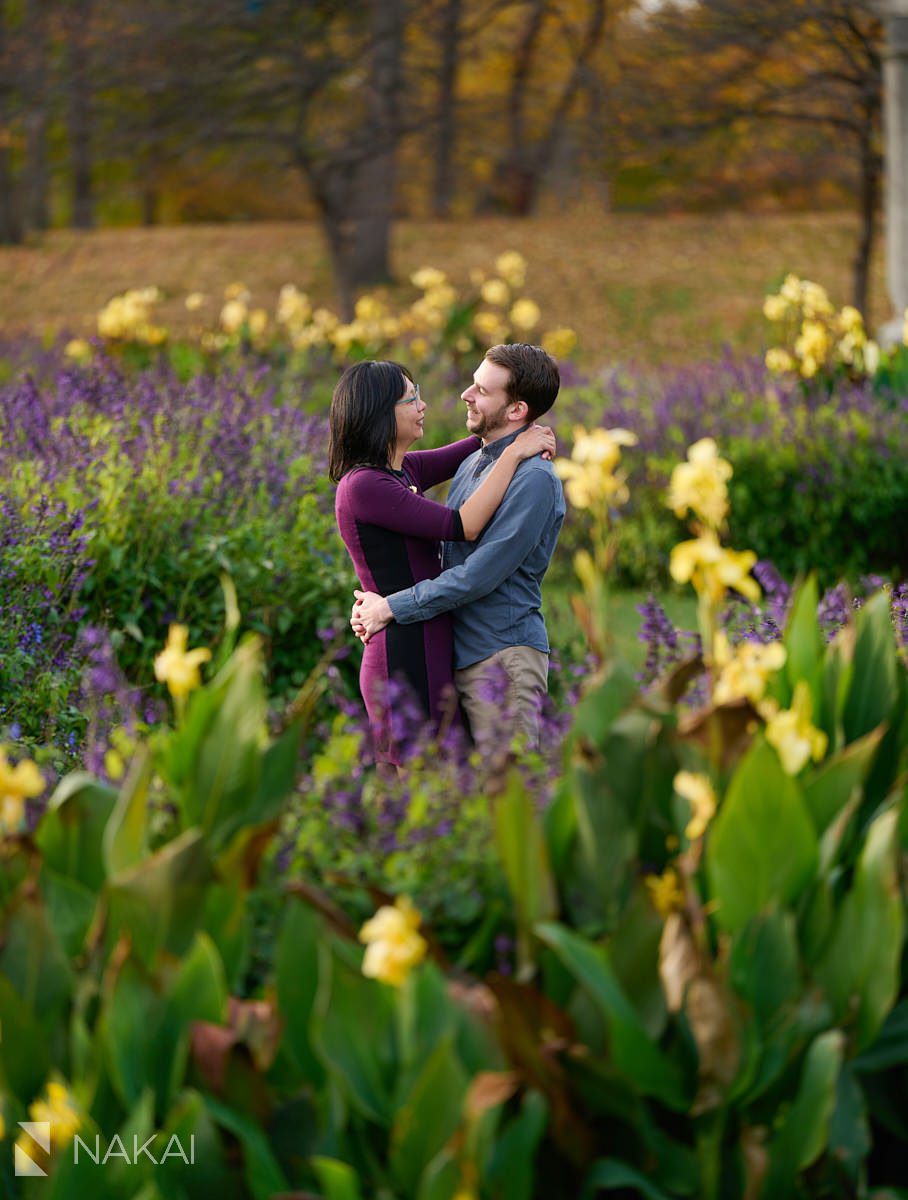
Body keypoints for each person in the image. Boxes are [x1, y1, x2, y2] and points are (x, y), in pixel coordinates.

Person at [329, 359, 555, 767]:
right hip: (403, 648)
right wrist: (517, 446)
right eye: (411, 398)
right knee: (419, 784)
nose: (424, 405)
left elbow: (481, 442)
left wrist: (521, 432)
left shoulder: (402, 470)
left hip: (432, 640)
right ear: (381, 412)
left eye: (480, 390)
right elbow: (463, 525)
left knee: (452, 785)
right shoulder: (366, 485)